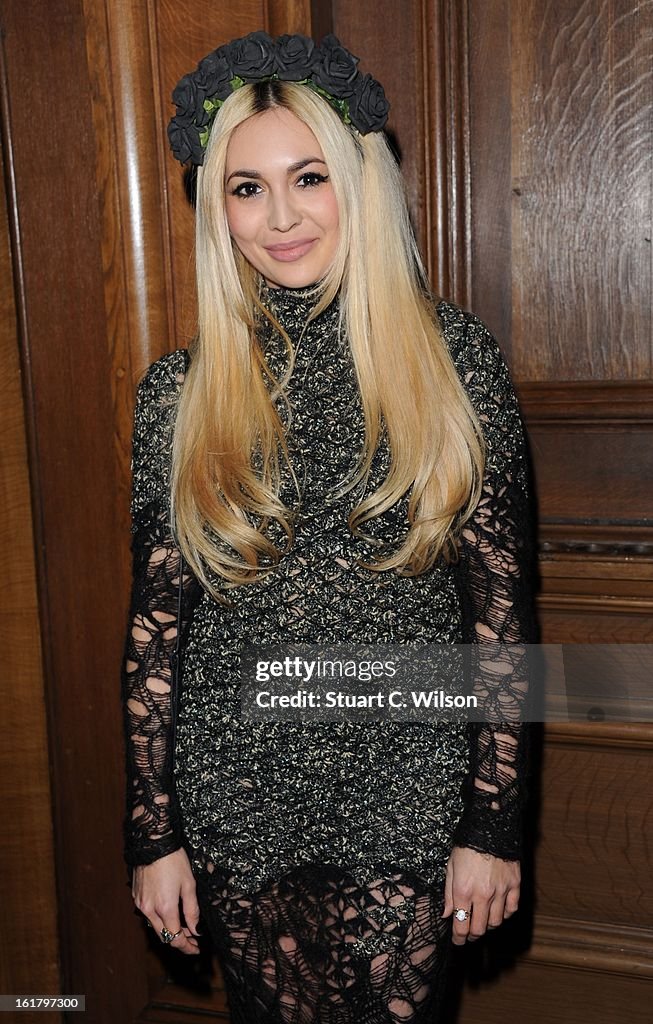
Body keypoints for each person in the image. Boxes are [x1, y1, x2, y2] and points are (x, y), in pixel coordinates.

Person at [122, 30, 536, 1024]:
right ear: (217, 210)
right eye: (246, 188)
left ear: (357, 181)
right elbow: (154, 637)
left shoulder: (452, 362)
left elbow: (501, 624)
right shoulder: (181, 392)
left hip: (410, 791)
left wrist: (494, 823)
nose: (280, 216)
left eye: (306, 176)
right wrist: (151, 832)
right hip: (234, 799)